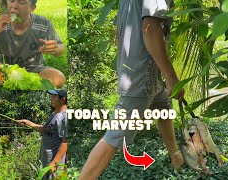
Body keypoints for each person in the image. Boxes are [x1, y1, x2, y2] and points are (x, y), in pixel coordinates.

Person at [79, 0, 185, 179]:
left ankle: (176, 157)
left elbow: (119, 34)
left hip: (143, 73)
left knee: (163, 108)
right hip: (142, 78)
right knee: (114, 137)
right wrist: (172, 78)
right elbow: (150, 28)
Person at [0, 0, 66, 88]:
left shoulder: (43, 24)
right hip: (5, 69)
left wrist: (55, 49)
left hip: (33, 70)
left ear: (32, 8)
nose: (14, 6)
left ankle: (11, 84)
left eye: (21, 2)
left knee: (59, 78)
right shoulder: (1, 23)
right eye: (11, 1)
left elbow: (61, 48)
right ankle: (10, 82)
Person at [17, 90, 68, 179]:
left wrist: (55, 162)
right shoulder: (55, 114)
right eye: (51, 96)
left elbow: (65, 142)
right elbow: (45, 129)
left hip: (55, 161)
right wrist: (28, 123)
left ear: (62, 100)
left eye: (54, 97)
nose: (51, 99)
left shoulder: (63, 117)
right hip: (47, 158)